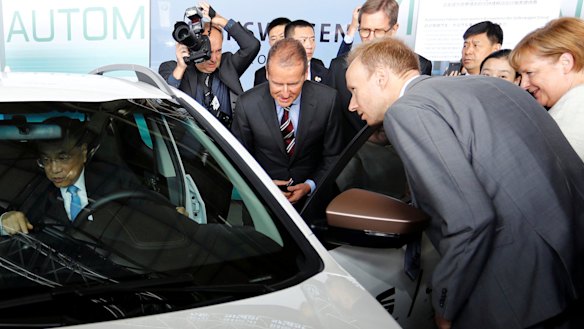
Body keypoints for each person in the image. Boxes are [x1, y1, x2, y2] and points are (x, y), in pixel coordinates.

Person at [345, 37, 584, 329]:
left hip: (512, 298)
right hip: (568, 271)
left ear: (381, 78)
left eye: (354, 90)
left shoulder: (407, 110)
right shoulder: (493, 86)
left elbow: (469, 221)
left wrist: (445, 305)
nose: (352, 104)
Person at [231, 38, 343, 208]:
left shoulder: (328, 100)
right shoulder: (247, 104)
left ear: (305, 74)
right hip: (262, 204)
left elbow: (333, 156)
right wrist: (263, 185)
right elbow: (240, 159)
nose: (284, 93)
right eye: (276, 83)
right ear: (267, 73)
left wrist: (310, 185)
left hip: (311, 204)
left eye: (293, 84)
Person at [329, 0, 432, 144]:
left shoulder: (418, 65)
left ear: (394, 28)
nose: (370, 38)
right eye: (365, 30)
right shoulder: (338, 67)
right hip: (350, 158)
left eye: (378, 31)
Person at [158, 1, 260, 128]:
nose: (214, 59)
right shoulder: (172, 68)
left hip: (230, 143)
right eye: (208, 52)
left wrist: (220, 20)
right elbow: (164, 101)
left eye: (219, 51)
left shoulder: (228, 64)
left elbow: (252, 45)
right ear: (192, 48)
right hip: (192, 144)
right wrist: (181, 67)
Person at [509, 17, 584, 161]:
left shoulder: (575, 110)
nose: (524, 85)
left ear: (565, 63)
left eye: (530, 73)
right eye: (521, 75)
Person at [284, 20, 330, 84]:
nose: (310, 45)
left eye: (312, 40)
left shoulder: (325, 74)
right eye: (303, 40)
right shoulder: (276, 72)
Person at [253, 17, 291, 86]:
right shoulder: (261, 74)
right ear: (269, 42)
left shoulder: (307, 67)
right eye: (273, 38)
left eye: (282, 37)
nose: (278, 42)